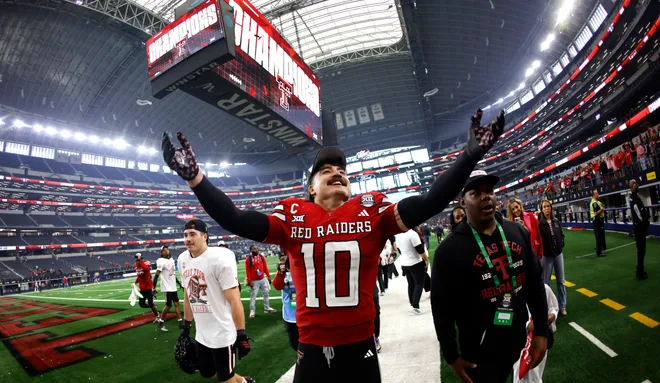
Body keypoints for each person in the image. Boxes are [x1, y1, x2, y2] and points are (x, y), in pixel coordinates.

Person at [162, 109, 505, 382]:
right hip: (311, 348)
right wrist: (196, 179)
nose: (336, 172)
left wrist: (471, 154)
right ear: (311, 188)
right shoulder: (292, 214)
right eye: (325, 170)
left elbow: (431, 201)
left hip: (361, 347)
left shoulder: (372, 210)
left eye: (341, 169)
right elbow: (235, 218)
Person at [431, 170, 549, 383]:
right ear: (463, 202)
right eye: (476, 193)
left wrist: (542, 330)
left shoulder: (518, 232)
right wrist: (451, 355)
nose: (486, 196)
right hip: (479, 354)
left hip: (519, 339)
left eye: (490, 191)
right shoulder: (447, 251)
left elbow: (534, 284)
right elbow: (441, 311)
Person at [177, 219, 254, 383]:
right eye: (185, 235)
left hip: (222, 333)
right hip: (202, 334)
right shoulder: (183, 259)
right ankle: (243, 381)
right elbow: (187, 295)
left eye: (192, 234)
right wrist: (186, 326)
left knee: (225, 379)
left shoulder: (219, 258)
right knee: (207, 372)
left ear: (205, 236)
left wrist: (241, 334)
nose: (187, 239)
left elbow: (235, 300)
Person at [512, 284, 558, 383]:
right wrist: (527, 324)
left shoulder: (544, 288)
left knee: (535, 373)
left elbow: (553, 308)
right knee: (519, 374)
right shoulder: (510, 292)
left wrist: (549, 318)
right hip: (519, 340)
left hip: (539, 338)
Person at [538, 200, 567, 316]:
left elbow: (561, 235)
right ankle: (548, 308)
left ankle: (562, 306)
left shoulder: (556, 221)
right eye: (544, 207)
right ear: (541, 209)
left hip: (558, 254)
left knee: (561, 281)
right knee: (546, 284)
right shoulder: (539, 224)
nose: (547, 209)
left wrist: (561, 244)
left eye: (548, 206)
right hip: (547, 256)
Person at [395, 228, 429, 314]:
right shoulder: (412, 234)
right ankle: (415, 305)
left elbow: (398, 249)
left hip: (405, 262)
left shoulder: (398, 234)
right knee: (419, 284)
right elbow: (420, 249)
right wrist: (426, 259)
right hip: (415, 262)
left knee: (411, 284)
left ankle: (412, 304)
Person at [272, 255, 299, 351]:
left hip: (304, 312)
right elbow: (277, 286)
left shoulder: (301, 270)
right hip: (289, 314)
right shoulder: (283, 274)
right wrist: (280, 273)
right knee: (294, 343)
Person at [134, 253, 165, 331]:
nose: (137, 261)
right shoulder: (136, 265)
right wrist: (135, 282)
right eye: (136, 260)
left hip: (148, 287)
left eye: (138, 259)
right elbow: (139, 276)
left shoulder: (145, 263)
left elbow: (147, 269)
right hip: (142, 288)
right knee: (142, 304)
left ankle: (157, 316)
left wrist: (140, 261)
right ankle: (154, 307)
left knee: (150, 303)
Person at [154, 245, 184, 329]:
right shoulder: (160, 261)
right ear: (161, 252)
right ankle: (161, 323)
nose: (166, 251)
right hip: (166, 287)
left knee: (177, 304)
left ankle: (180, 323)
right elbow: (156, 275)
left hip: (173, 286)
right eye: (164, 250)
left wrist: (179, 284)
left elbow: (173, 274)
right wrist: (154, 288)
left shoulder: (171, 260)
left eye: (167, 249)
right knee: (168, 305)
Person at [245, 245, 276, 318]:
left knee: (266, 293)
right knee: (253, 296)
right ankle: (252, 311)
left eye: (256, 248)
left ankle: (267, 308)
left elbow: (265, 267)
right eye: (254, 249)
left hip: (263, 279)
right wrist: (249, 281)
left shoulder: (261, 257)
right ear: (251, 250)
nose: (256, 250)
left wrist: (268, 276)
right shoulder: (248, 259)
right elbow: (248, 271)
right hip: (254, 281)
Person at [629, 180, 649, 280]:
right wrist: (645, 223)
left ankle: (640, 270)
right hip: (639, 228)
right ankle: (639, 273)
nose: (637, 185)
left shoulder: (635, 197)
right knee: (641, 251)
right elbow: (639, 214)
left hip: (640, 227)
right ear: (631, 187)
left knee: (641, 251)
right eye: (635, 184)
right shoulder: (634, 199)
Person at [590, 190, 606, 257]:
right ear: (594, 195)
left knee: (599, 236)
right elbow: (596, 213)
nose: (598, 194)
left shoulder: (596, 202)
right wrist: (601, 210)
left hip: (598, 220)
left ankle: (600, 249)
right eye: (596, 193)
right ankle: (598, 252)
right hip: (597, 220)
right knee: (598, 236)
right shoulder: (594, 203)